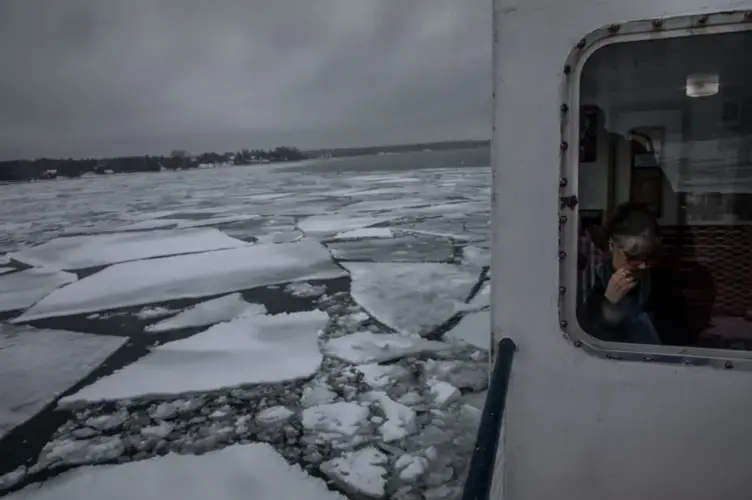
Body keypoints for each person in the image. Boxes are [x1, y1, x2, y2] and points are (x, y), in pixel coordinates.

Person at [577, 202, 688, 345]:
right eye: (633, 258)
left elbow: (680, 339)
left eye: (649, 257)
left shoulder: (664, 285)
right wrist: (609, 308)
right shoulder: (590, 281)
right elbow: (583, 342)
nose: (643, 266)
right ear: (612, 245)